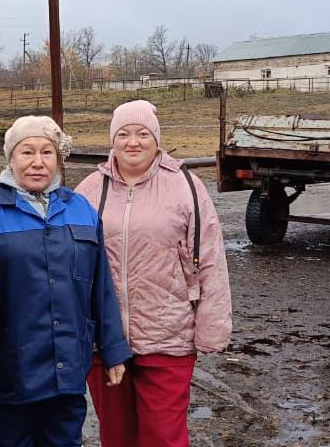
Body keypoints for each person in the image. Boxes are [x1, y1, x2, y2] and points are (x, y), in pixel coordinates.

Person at [75, 100, 232, 447]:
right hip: (105, 341)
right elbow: (70, 264)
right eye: (124, 134)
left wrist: (213, 327)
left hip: (168, 337)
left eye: (142, 134)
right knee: (116, 436)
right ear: (112, 141)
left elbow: (210, 259)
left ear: (156, 139)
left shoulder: (186, 187)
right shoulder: (88, 190)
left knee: (164, 437)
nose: (133, 142)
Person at [0, 115, 131, 447]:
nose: (37, 163)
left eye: (47, 152)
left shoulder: (81, 209)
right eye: (26, 152)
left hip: (67, 369)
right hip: (9, 371)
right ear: (11, 158)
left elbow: (100, 285)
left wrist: (113, 348)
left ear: (59, 159)